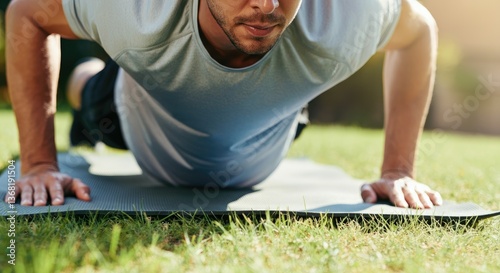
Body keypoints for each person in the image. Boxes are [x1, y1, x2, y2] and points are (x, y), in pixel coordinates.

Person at [5, 0, 443, 209]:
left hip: (271, 126)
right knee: (88, 89)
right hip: (133, 108)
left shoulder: (347, 15)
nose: (266, 6)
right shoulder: (135, 13)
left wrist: (398, 171)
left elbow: (420, 31)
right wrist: (39, 163)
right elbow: (27, 14)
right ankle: (92, 77)